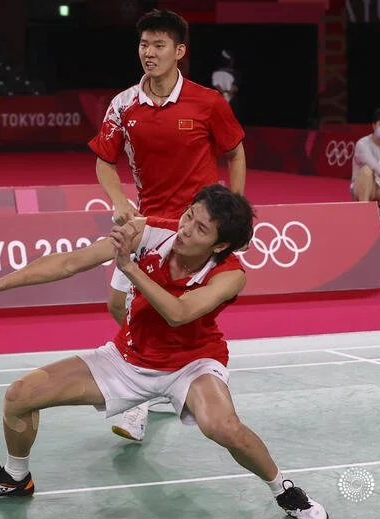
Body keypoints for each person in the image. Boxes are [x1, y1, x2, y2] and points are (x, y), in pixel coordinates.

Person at [0, 185, 329, 519]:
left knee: (223, 428)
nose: (185, 230)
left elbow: (179, 313)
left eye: (200, 230)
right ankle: (16, 478)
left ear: (218, 246)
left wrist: (129, 268)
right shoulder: (148, 232)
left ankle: (284, 489)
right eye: (188, 216)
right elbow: (70, 262)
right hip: (127, 358)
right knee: (19, 396)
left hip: (191, 363)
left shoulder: (230, 275)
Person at [88, 9, 247, 441]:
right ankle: (152, 380)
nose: (149, 53)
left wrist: (234, 212)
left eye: (159, 45)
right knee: (119, 306)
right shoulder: (123, 104)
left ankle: (154, 392)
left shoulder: (208, 102)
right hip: (147, 224)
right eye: (144, 45)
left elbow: (234, 152)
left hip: (197, 229)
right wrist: (119, 200)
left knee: (181, 313)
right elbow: (105, 162)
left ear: (179, 52)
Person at [211, 49, 242, 119]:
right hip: (223, 101)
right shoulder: (235, 73)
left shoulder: (216, 73)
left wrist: (224, 93)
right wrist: (226, 94)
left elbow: (215, 86)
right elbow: (234, 88)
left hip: (227, 101)